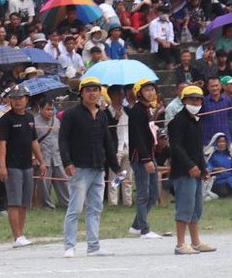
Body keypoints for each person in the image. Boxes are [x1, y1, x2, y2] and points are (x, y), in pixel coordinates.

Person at [58, 77, 117, 257]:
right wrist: (67, 162)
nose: (92, 93)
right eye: (88, 90)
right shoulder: (71, 114)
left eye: (95, 90)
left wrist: (114, 166)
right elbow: (63, 140)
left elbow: (107, 142)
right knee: (75, 208)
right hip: (79, 168)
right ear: (81, 93)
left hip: (98, 167)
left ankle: (93, 246)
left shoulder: (101, 115)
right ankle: (69, 245)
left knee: (95, 208)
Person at [165, 84, 213, 254]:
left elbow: (198, 148)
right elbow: (176, 147)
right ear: (184, 100)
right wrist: (190, 165)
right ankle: (180, 243)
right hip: (183, 172)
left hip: (197, 171)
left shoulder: (197, 120)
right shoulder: (177, 121)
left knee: (196, 208)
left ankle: (195, 242)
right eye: (192, 99)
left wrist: (203, 168)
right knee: (184, 207)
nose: (196, 101)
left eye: (199, 99)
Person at [0, 85, 40, 247]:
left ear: (26, 99)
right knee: (14, 202)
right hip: (12, 165)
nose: (17, 101)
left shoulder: (29, 117)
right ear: (10, 101)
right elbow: (2, 144)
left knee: (24, 202)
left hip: (27, 164)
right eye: (14, 98)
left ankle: (21, 234)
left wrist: (41, 161)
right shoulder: (6, 120)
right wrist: (2, 166)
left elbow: (34, 141)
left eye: (20, 98)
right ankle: (17, 236)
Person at [126, 80, 163, 238]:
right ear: (139, 92)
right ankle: (144, 229)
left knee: (154, 193)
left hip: (150, 154)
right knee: (143, 193)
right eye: (146, 90)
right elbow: (138, 137)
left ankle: (136, 225)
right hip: (140, 157)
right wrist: (146, 159)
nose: (150, 93)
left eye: (152, 90)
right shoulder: (137, 111)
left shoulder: (148, 109)